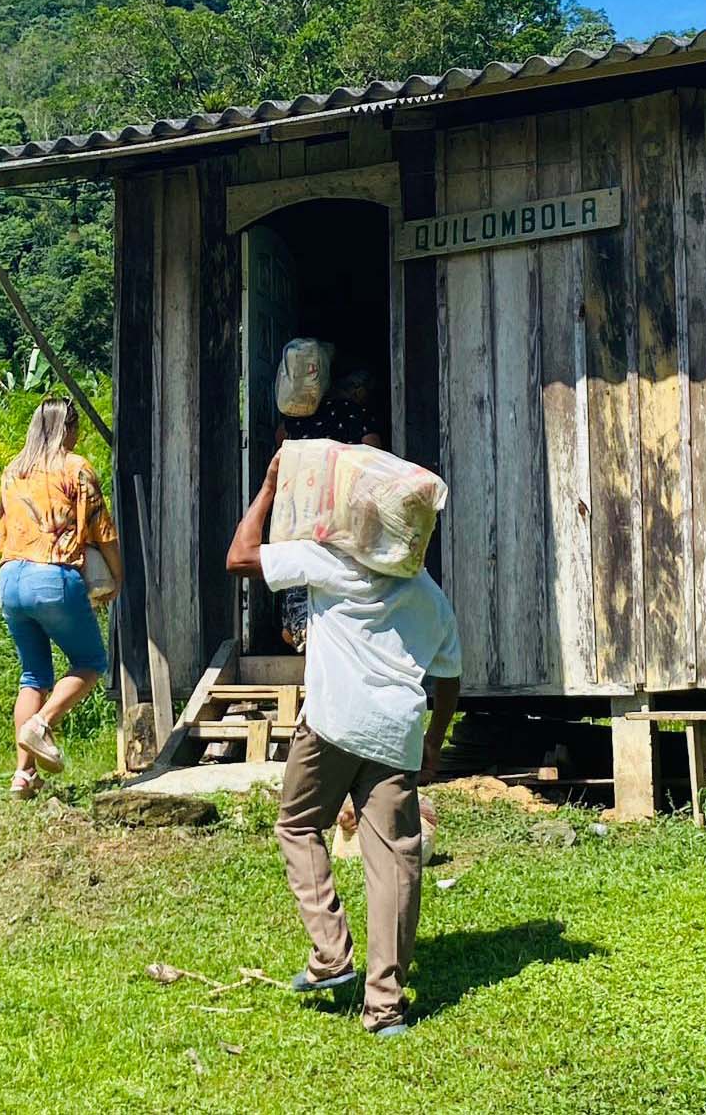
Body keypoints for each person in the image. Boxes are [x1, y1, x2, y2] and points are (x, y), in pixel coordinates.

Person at [226, 452, 461, 1037]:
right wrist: (433, 742)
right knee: (395, 863)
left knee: (298, 825)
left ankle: (331, 953)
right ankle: (385, 1007)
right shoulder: (430, 596)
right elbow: (450, 677)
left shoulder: (330, 561)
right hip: (396, 731)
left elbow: (239, 557)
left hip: (333, 723)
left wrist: (269, 485)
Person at [0, 396, 122, 798]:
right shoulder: (74, 466)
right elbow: (103, 530)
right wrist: (118, 577)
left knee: (33, 676)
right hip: (51, 575)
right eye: (76, 426)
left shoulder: (13, 470)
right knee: (90, 661)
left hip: (9, 578)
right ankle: (42, 723)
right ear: (68, 428)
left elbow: (1, 527)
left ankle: (23, 776)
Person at [276, 366, 382, 653]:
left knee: (300, 569)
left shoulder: (295, 418)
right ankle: (340, 635)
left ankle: (300, 630)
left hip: (302, 510)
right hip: (342, 514)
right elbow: (375, 456)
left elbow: (280, 449)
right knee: (341, 572)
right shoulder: (358, 415)